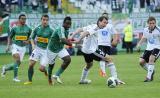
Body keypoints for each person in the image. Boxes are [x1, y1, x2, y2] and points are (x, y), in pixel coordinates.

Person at [70, 16, 124, 84]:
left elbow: (80, 29)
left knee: (89, 65)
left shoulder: (92, 25)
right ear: (99, 22)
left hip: (85, 51)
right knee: (109, 59)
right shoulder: (95, 28)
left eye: (106, 23)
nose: (105, 25)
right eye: (104, 22)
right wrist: (78, 40)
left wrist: (72, 36)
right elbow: (85, 33)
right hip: (92, 51)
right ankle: (115, 79)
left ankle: (82, 80)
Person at [1, 14, 32, 82]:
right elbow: (9, 37)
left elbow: (30, 38)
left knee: (17, 64)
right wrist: (8, 46)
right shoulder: (15, 28)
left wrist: (27, 41)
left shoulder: (28, 29)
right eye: (22, 19)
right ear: (19, 19)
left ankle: (5, 69)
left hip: (23, 48)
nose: (24, 20)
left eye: (25, 19)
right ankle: (15, 77)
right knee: (17, 59)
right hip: (15, 46)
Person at [24, 15, 53, 85]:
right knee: (31, 64)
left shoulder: (51, 30)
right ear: (41, 20)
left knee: (41, 69)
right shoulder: (37, 28)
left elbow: (55, 39)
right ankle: (29, 80)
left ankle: (46, 72)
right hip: (37, 49)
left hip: (46, 51)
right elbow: (31, 38)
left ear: (48, 21)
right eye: (43, 20)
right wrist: (33, 45)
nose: (45, 21)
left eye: (46, 20)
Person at [47, 16, 72, 85]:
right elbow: (63, 40)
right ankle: (49, 79)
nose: (68, 25)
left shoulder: (67, 30)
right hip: (51, 50)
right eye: (67, 23)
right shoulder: (60, 29)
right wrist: (71, 44)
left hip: (60, 49)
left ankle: (56, 75)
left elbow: (65, 40)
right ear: (63, 23)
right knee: (51, 65)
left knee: (68, 59)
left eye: (70, 24)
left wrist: (70, 42)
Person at [136, 16, 160, 82]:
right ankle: (151, 71)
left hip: (157, 47)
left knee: (151, 59)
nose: (152, 25)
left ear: (155, 23)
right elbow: (144, 37)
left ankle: (148, 77)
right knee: (141, 62)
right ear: (148, 23)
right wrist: (139, 44)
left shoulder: (158, 30)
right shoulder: (145, 29)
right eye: (150, 23)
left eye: (153, 23)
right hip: (148, 48)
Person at [98, 12, 119, 77]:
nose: (105, 18)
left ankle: (103, 70)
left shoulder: (110, 26)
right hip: (100, 44)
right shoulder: (98, 26)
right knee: (102, 58)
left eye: (106, 17)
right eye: (104, 16)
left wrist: (114, 40)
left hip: (108, 45)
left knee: (107, 60)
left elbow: (115, 33)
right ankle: (103, 72)